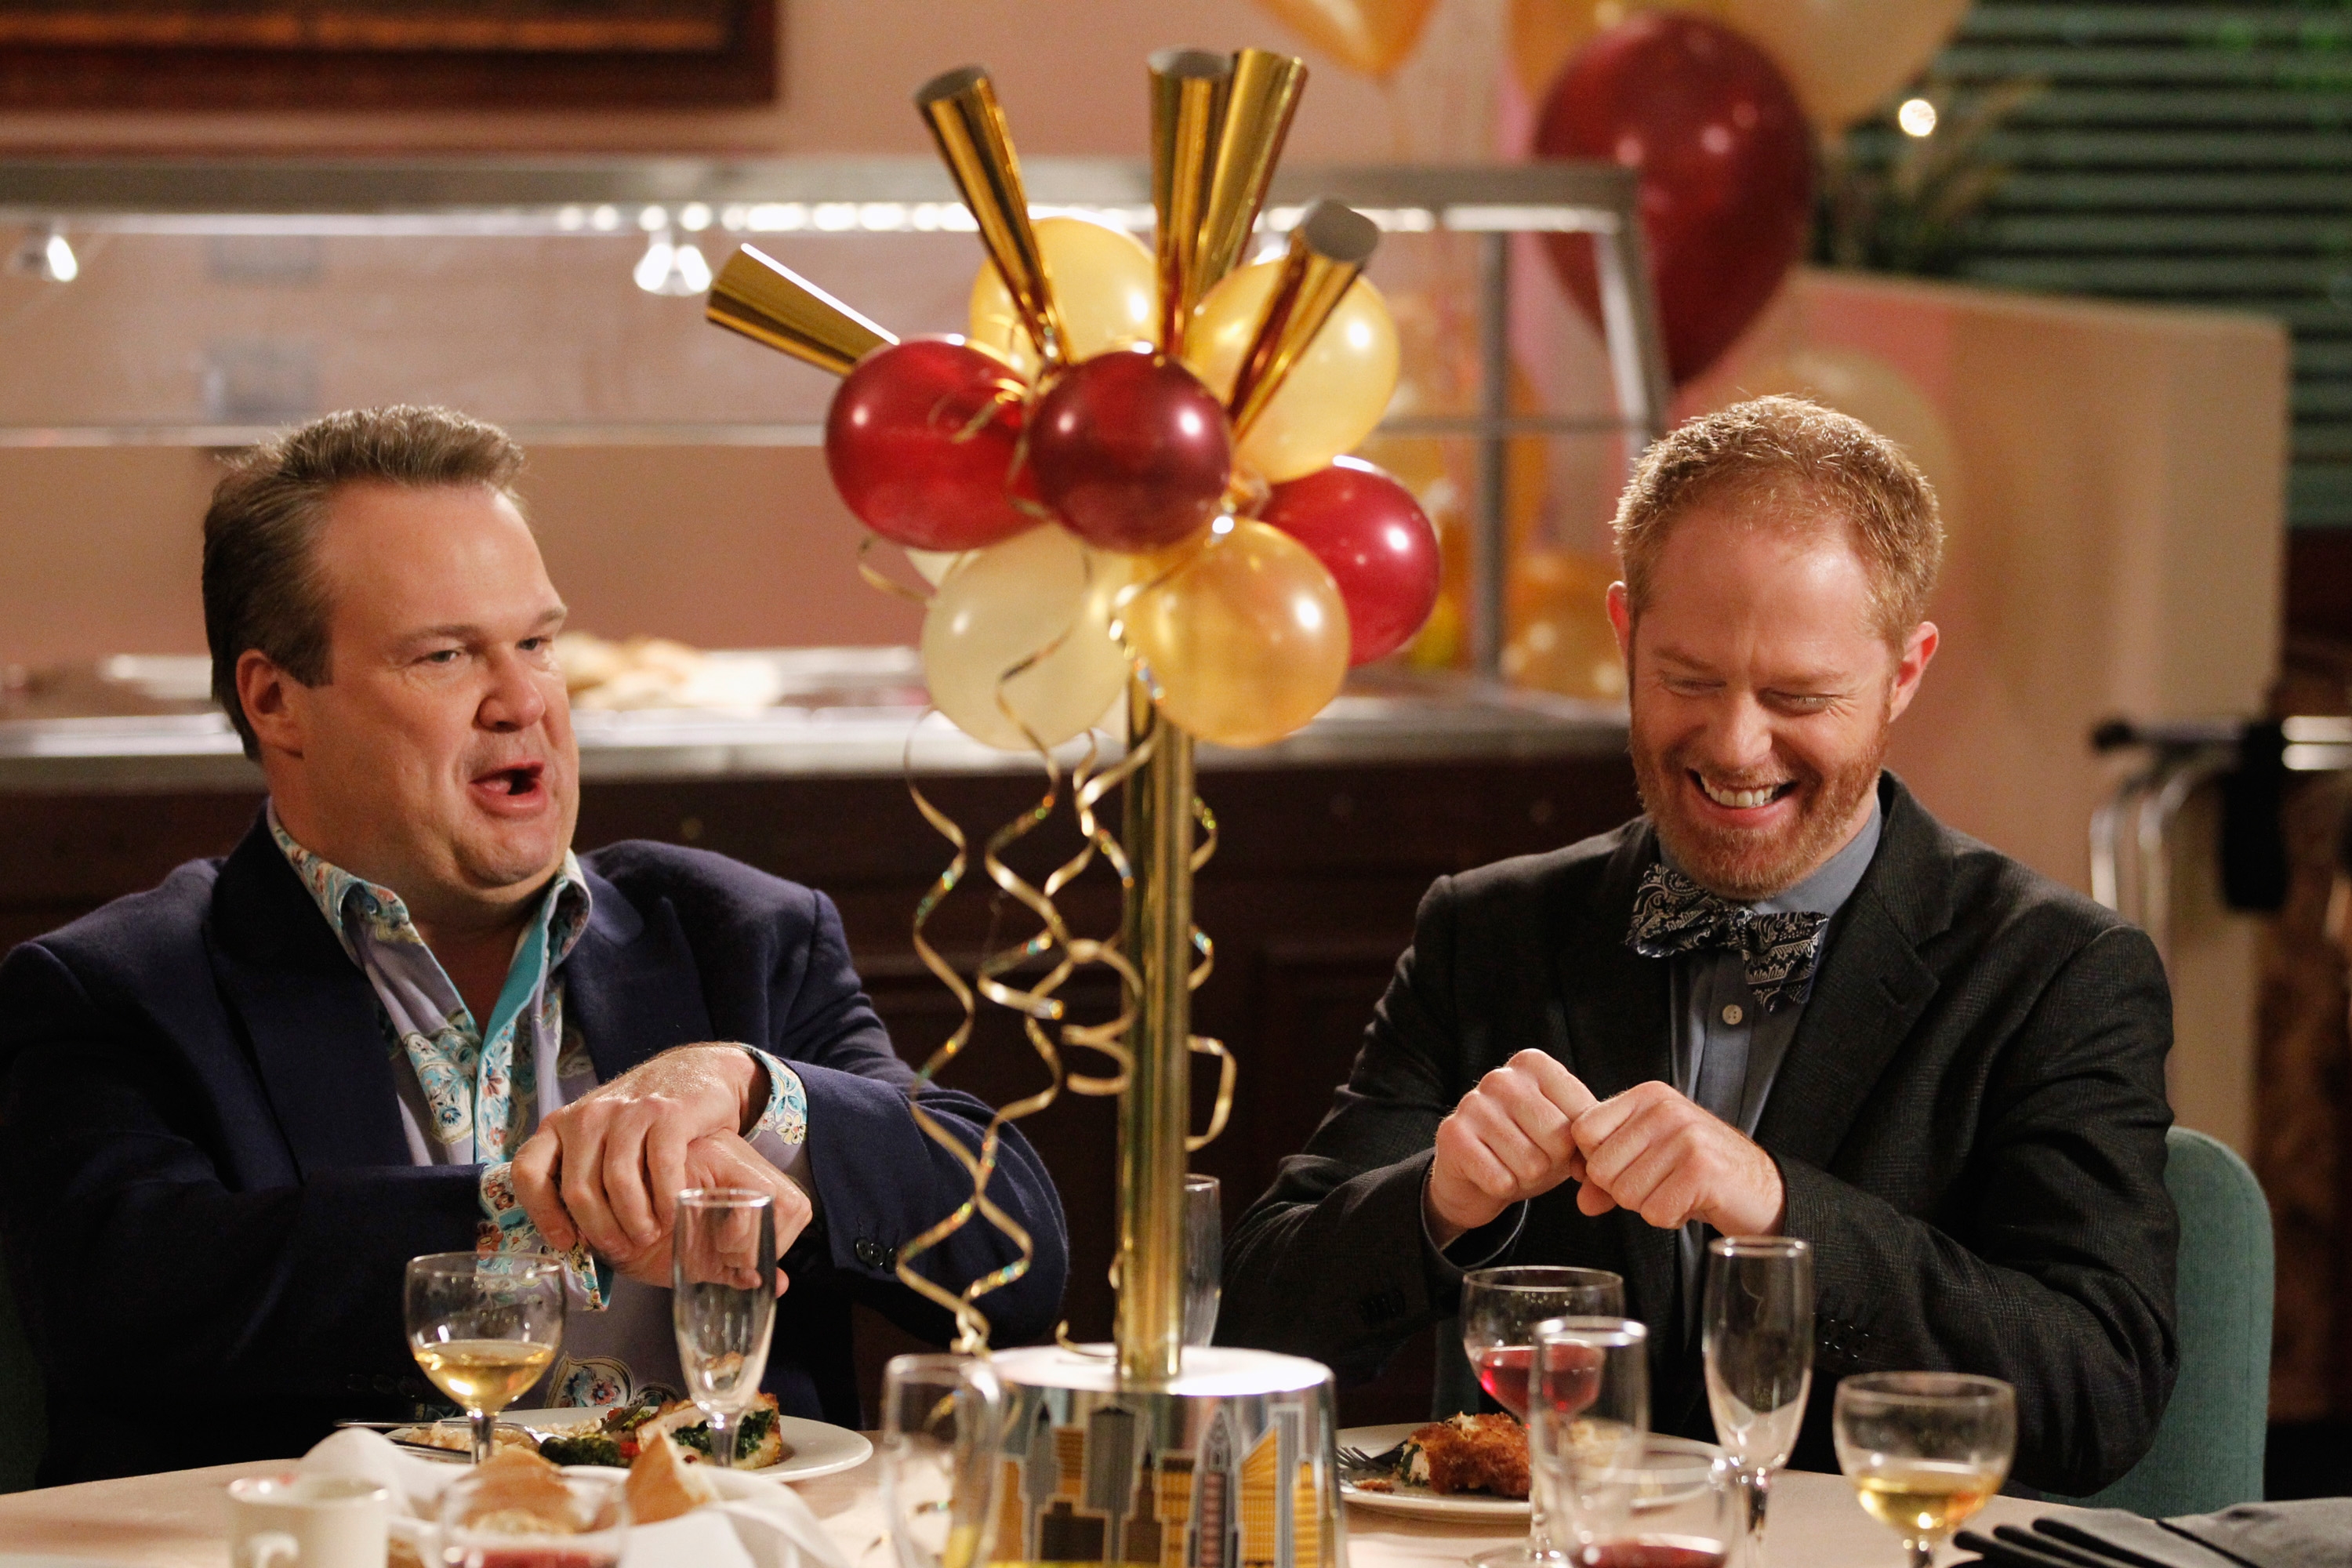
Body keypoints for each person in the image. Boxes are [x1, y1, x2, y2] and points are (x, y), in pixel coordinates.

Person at [0, 405, 1067, 1483]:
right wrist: (546, 1209)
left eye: (538, 644)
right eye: (445, 655)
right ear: (276, 700)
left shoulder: (741, 937)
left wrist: (757, 1094)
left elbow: (1019, 1255)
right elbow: (121, 1307)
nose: (522, 703)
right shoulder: (117, 991)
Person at [1221, 396, 2177, 1496]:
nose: (1734, 745)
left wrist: (1777, 1208)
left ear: (1905, 672)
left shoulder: (2060, 973)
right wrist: (1433, 1205)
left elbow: (2100, 1389)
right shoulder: (1487, 932)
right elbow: (1251, 1320)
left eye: (1798, 696)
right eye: (1688, 680)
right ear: (1625, 635)